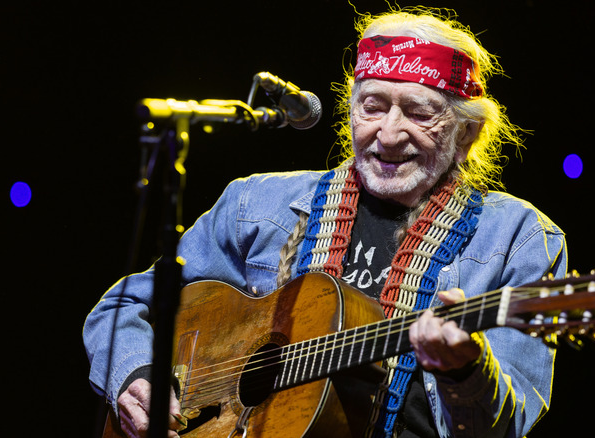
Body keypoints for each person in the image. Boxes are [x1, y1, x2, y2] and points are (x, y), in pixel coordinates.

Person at [83, 6, 567, 438]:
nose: (388, 134)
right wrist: (136, 376)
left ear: (466, 133)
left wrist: (465, 370)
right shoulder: (254, 204)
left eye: (419, 114)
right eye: (372, 107)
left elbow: (503, 428)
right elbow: (122, 307)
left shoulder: (520, 238)